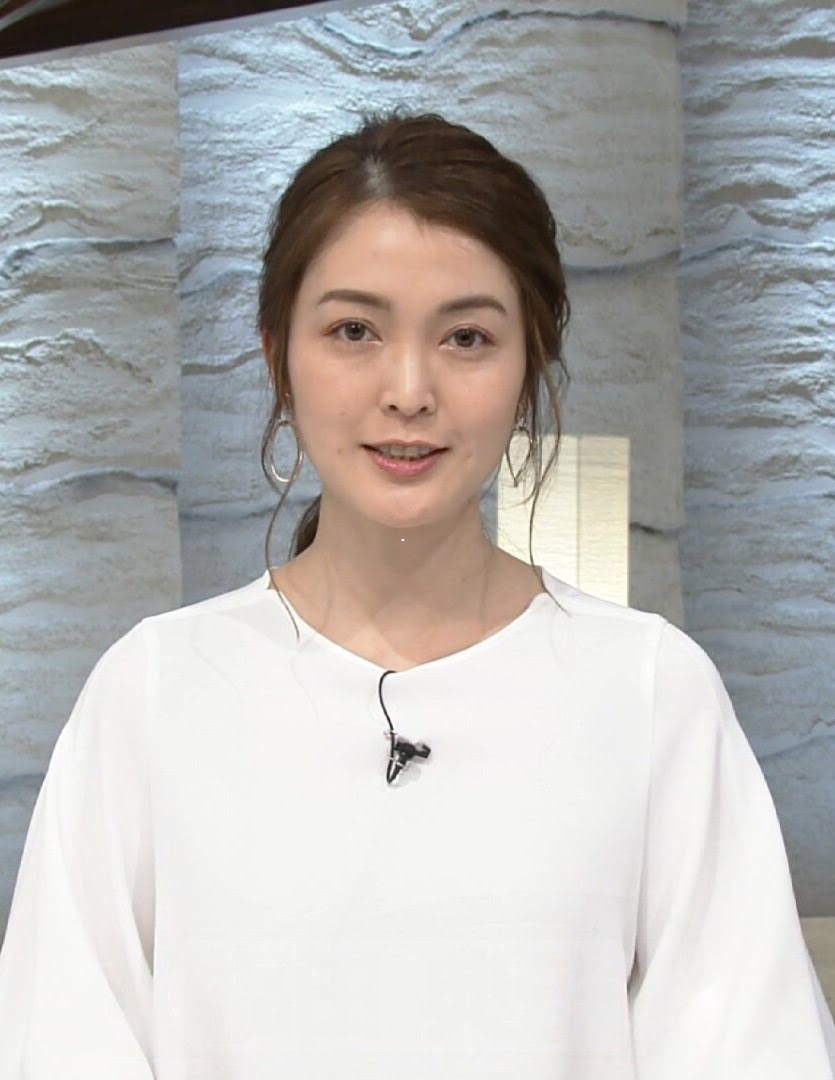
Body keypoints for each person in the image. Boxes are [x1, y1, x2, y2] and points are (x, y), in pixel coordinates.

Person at [0, 107, 833, 1079]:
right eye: (354, 330)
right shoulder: (154, 690)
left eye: (466, 337)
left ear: (529, 365)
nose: (408, 389)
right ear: (276, 355)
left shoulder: (650, 692)